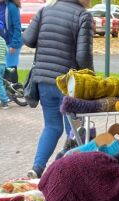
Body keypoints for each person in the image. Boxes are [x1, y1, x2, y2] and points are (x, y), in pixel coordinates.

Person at [22, 0, 93, 178]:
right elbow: (83, 55)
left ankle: (36, 168)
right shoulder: (82, 15)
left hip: (44, 80)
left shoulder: (45, 10)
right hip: (68, 84)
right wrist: (91, 79)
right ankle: (61, 172)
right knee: (75, 131)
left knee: (52, 126)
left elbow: (28, 39)